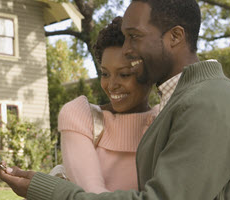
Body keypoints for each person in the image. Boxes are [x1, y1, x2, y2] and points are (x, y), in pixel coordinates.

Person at [0, 0, 230, 199]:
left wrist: (54, 191)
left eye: (135, 36)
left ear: (175, 37)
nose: (127, 49)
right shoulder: (184, 100)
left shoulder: (208, 102)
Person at [58, 16, 157, 194]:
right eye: (105, 74)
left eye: (124, 74)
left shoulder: (166, 120)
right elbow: (91, 194)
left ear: (150, 75)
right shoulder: (80, 116)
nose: (111, 85)